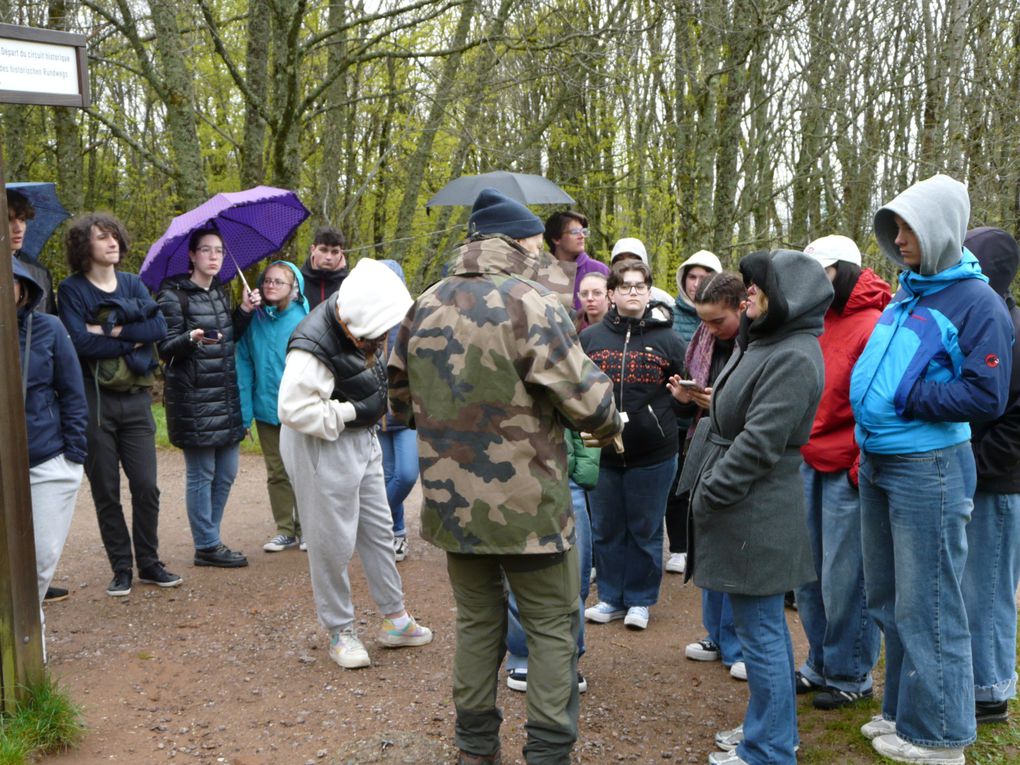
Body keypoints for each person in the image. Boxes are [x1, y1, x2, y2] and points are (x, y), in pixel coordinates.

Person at [389, 187, 622, 765]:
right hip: (529, 507)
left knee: (475, 622)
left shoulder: (422, 304)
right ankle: (547, 752)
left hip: (452, 503)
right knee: (549, 625)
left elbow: (397, 404)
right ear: (519, 243)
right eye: (536, 243)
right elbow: (590, 405)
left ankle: (475, 750)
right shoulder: (534, 304)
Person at [850, 174, 1013, 765]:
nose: (898, 237)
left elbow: (986, 395)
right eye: (894, 226)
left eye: (909, 226)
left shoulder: (978, 302)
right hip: (880, 459)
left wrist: (910, 400)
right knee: (890, 599)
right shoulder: (910, 290)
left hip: (930, 467)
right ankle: (902, 714)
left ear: (940, 227)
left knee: (932, 605)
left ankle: (943, 741)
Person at [678, 249, 832, 765]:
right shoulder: (766, 341)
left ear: (787, 297)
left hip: (755, 508)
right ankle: (769, 734)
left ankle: (768, 749)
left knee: (762, 631)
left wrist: (713, 491)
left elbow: (760, 443)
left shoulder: (793, 354)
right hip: (746, 503)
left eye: (758, 288)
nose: (748, 295)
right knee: (759, 628)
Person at [278, 257, 433, 671]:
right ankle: (340, 629)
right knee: (330, 540)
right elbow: (293, 410)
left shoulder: (366, 325)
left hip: (362, 439)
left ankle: (395, 618)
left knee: (379, 528)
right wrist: (348, 412)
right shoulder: (312, 344)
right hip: (320, 444)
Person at [57, 213, 181, 596]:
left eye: (115, 236)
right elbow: (77, 342)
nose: (112, 243)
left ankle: (149, 562)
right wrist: (133, 338)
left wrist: (109, 330)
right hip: (94, 401)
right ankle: (121, 567)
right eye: (101, 238)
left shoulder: (132, 283)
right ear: (84, 247)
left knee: (146, 486)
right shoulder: (72, 290)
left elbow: (158, 329)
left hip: (136, 400)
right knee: (106, 489)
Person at [793, 235, 889, 710]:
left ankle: (851, 671)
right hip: (807, 461)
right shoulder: (815, 321)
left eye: (825, 271)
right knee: (808, 574)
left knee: (845, 576)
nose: (817, 280)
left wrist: (858, 464)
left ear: (846, 270)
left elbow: (879, 404)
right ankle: (820, 663)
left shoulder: (874, 323)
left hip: (847, 468)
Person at [582, 259, 685, 632]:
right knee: (607, 527)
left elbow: (684, 389)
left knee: (645, 528)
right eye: (624, 286)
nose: (632, 293)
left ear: (649, 291)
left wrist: (676, 404)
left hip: (653, 453)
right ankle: (610, 596)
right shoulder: (590, 339)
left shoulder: (669, 339)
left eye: (639, 286)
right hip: (602, 450)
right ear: (611, 294)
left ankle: (640, 599)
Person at [156, 226, 260, 568]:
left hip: (225, 395)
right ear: (192, 255)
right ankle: (208, 543)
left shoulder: (221, 290)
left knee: (227, 472)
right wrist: (190, 338)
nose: (214, 257)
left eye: (219, 251)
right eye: (206, 250)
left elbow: (228, 338)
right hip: (194, 398)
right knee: (201, 474)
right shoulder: (173, 295)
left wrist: (244, 311)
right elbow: (165, 349)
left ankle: (209, 539)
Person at [674, 272, 748, 682]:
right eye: (703, 321)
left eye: (717, 321)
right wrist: (687, 401)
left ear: (742, 306)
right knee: (706, 543)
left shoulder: (754, 345)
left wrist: (717, 400)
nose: (709, 329)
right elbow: (692, 413)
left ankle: (738, 644)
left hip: (736, 454)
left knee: (734, 547)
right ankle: (716, 635)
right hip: (704, 446)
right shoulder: (703, 341)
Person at [961, 226, 1020, 726]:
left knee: (989, 586)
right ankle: (975, 680)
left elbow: (1015, 423)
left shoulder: (1010, 328)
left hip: (997, 482)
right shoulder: (988, 319)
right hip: (976, 474)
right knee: (969, 585)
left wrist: (972, 467)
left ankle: (991, 689)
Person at [13, 259, 87, 657]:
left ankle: (28, 661)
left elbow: (73, 392)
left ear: (23, 288)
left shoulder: (49, 329)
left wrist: (72, 459)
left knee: (38, 562)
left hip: (47, 462)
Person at [505, 428, 598, 694]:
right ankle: (523, 653)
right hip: (512, 471)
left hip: (564, 472)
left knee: (575, 572)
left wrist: (583, 470)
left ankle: (568, 655)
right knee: (517, 566)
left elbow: (593, 405)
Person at [235, 260, 309, 553]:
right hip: (266, 408)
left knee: (302, 470)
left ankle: (307, 529)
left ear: (294, 289)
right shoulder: (255, 320)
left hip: (300, 409)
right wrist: (244, 414)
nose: (270, 285)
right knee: (276, 470)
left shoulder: (307, 319)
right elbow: (243, 366)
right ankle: (284, 529)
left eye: (279, 281)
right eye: (267, 280)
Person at [665, 248, 723, 574]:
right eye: (691, 276)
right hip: (680, 412)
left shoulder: (729, 322)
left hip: (714, 415)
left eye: (703, 277)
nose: (695, 283)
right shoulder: (669, 315)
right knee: (677, 482)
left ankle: (705, 546)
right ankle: (679, 546)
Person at [377, 259, 418, 562]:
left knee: (405, 474)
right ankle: (397, 533)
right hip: (374, 414)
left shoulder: (414, 317)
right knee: (386, 474)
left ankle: (371, 520)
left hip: (406, 412)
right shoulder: (364, 319)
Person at [544, 209, 608, 310]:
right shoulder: (541, 271)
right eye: (575, 232)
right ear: (556, 239)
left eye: (584, 232)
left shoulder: (599, 269)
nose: (582, 236)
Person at [8, 188, 57, 314]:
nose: (18, 228)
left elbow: (50, 323)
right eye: (9, 220)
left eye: (22, 220)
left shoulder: (39, 272)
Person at [609, 237, 673, 304]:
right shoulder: (603, 299)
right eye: (620, 260)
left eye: (633, 259)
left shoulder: (662, 299)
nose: (626, 263)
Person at [301, 225, 348, 310]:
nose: (329, 257)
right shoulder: (297, 281)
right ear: (313, 249)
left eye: (335, 252)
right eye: (323, 250)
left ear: (341, 253)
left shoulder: (349, 283)